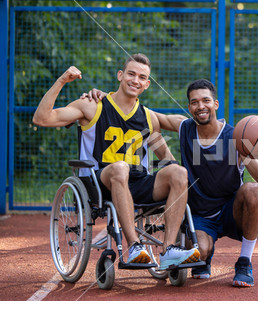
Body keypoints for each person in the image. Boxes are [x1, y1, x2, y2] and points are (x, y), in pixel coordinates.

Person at [85, 79, 258, 287]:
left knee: (252, 189)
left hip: (229, 211)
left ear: (215, 104)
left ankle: (244, 262)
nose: (200, 106)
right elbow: (140, 112)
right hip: (199, 216)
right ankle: (205, 256)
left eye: (206, 101)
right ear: (189, 108)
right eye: (194, 102)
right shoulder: (185, 127)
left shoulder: (236, 139)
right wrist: (109, 99)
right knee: (199, 254)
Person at [32, 54, 200, 270]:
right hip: (100, 183)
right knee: (121, 168)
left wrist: (181, 179)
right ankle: (135, 247)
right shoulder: (92, 105)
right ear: (120, 75)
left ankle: (168, 251)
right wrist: (62, 80)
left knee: (178, 172)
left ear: (147, 84)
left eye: (142, 77)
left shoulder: (149, 118)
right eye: (131, 74)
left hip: (138, 183)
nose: (135, 80)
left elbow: (169, 156)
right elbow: (41, 118)